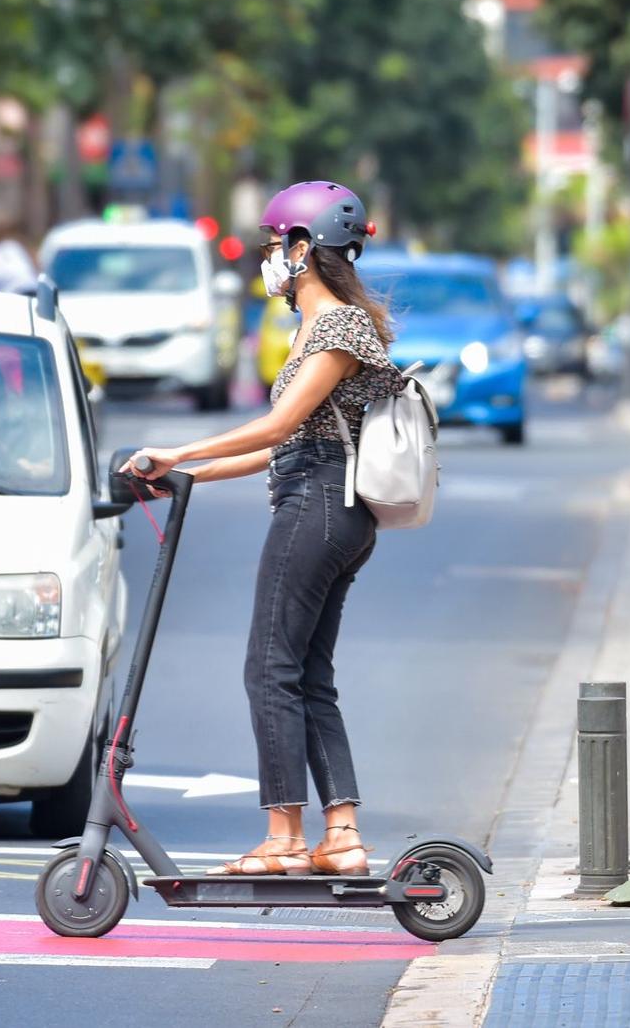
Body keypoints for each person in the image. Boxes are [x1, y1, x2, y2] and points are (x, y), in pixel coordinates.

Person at [128, 181, 402, 878]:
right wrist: (184, 476)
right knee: (308, 673)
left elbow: (282, 427)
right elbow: (281, 445)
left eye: (278, 244)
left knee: (269, 668)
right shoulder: (321, 327)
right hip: (327, 499)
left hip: (317, 503)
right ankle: (340, 835)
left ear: (305, 249)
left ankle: (284, 837)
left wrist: (180, 449)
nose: (271, 258)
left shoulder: (337, 325)